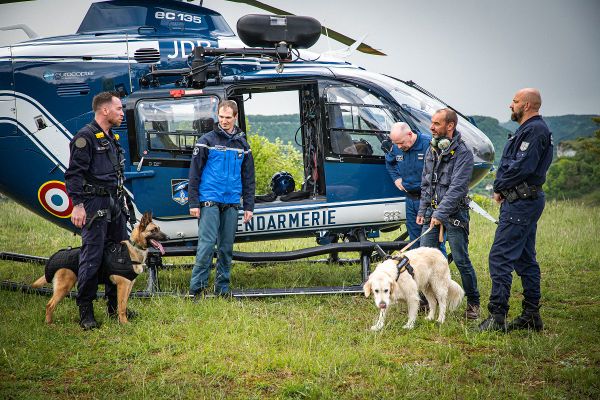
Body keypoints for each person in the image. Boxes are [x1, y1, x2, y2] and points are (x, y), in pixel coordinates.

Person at [478, 88, 553, 332]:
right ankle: (531, 316)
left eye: (515, 101)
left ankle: (497, 316)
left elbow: (522, 167)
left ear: (528, 105)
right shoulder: (528, 129)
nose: (511, 105)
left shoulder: (534, 130)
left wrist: (499, 186)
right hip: (522, 201)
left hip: (521, 202)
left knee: (500, 257)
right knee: (525, 258)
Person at [65, 91, 132, 330]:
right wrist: (78, 205)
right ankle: (86, 311)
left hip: (115, 204)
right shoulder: (85, 138)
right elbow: (74, 175)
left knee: (118, 256)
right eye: (118, 109)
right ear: (105, 110)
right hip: (94, 205)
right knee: (92, 257)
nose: (122, 113)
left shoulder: (110, 137)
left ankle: (115, 307)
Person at [417, 108, 480, 320]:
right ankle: (429, 301)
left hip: (454, 215)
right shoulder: (432, 149)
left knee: (461, 260)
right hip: (432, 213)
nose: (431, 127)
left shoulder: (463, 153)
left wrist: (440, 213)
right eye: (432, 123)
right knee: (424, 259)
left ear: (450, 126)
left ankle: (473, 302)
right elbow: (426, 183)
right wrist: (423, 210)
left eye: (436, 124)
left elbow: (458, 189)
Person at [188, 100, 255, 297]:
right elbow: (194, 174)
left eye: (228, 117)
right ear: (218, 116)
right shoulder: (206, 140)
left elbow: (249, 178)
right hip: (210, 199)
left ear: (235, 117)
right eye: (221, 117)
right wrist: (194, 202)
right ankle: (196, 290)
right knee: (207, 246)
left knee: (226, 248)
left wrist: (249, 206)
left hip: (232, 202)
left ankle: (222, 289)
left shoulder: (243, 145)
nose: (224, 121)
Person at [385, 122, 446, 254]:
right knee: (414, 243)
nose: (399, 147)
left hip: (429, 201)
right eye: (396, 144)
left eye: (401, 142)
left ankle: (440, 272)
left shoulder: (428, 144)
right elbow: (389, 162)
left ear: (409, 134)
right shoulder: (396, 147)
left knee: (433, 244)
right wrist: (396, 178)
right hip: (410, 200)